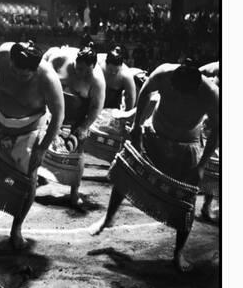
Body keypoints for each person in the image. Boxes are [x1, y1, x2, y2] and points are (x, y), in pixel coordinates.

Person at [90, 59, 219, 272]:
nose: (181, 96)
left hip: (186, 146)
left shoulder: (211, 94)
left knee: (186, 199)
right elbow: (146, 92)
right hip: (154, 133)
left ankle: (178, 253)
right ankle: (108, 217)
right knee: (126, 172)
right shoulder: (164, 73)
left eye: (186, 92)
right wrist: (137, 125)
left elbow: (216, 130)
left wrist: (202, 165)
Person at [0, 41, 64, 249]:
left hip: (28, 131)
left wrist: (42, 149)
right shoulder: (4, 54)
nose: (19, 76)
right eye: (16, 70)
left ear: (35, 68)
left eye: (26, 74)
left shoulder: (48, 79)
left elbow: (59, 116)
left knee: (29, 177)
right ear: (12, 61)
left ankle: (17, 229)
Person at [43, 44, 106, 208]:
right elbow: (42, 72)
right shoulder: (61, 59)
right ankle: (35, 178)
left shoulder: (97, 81)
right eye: (79, 68)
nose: (81, 73)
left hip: (78, 114)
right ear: (75, 62)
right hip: (55, 106)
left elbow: (96, 107)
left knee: (77, 153)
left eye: (86, 70)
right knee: (39, 140)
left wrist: (84, 127)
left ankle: (74, 192)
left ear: (93, 66)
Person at [199, 60, 220, 222]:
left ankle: (212, 205)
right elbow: (199, 72)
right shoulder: (216, 67)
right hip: (212, 115)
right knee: (211, 163)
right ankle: (207, 205)